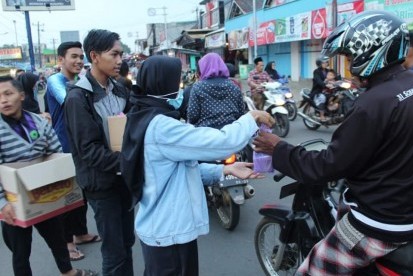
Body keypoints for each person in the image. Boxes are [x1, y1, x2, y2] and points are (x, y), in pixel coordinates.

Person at [254, 11, 413, 275]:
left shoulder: (373, 103)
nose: (346, 66)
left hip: (382, 223)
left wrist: (278, 148)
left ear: (371, 53)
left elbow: (329, 166)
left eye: (349, 58)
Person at [120, 55, 274, 276]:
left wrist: (223, 169)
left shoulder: (145, 115)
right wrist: (251, 118)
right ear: (164, 83)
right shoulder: (162, 126)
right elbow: (222, 143)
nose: (180, 86)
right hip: (168, 232)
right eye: (177, 80)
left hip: (167, 229)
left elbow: (175, 171)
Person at [0, 76, 95, 276]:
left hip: (43, 193)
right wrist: (2, 202)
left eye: (8, 94)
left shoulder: (38, 122)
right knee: (20, 251)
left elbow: (55, 152)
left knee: (57, 239)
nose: (3, 100)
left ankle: (67, 271)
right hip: (12, 201)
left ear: (22, 95)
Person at [64, 29, 133, 276]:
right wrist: (128, 161)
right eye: (114, 54)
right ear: (94, 56)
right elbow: (89, 151)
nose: (119, 60)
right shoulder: (78, 97)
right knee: (114, 250)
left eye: (121, 54)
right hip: (101, 185)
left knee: (127, 243)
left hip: (124, 178)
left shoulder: (121, 90)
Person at [46, 41, 101, 262]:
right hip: (63, 147)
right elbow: (70, 101)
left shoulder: (78, 80)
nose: (79, 61)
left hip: (80, 145)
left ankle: (80, 233)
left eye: (81, 57)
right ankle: (68, 244)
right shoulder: (55, 81)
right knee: (67, 197)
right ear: (61, 60)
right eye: (74, 57)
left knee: (81, 193)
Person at [187, 53, 244, 129]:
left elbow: (192, 116)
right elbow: (241, 113)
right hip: (231, 132)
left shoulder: (198, 87)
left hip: (206, 134)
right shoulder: (234, 86)